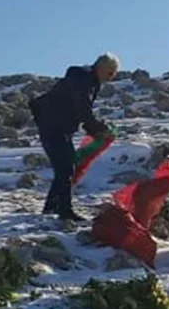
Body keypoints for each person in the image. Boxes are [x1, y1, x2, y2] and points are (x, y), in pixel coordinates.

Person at [30, 53, 120, 221]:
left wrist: (95, 127)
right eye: (110, 73)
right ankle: (64, 211)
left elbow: (83, 112)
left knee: (65, 167)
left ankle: (51, 207)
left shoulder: (91, 82)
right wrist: (97, 129)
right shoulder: (82, 80)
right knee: (66, 168)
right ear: (100, 67)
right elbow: (83, 109)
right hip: (53, 125)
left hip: (60, 127)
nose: (111, 78)